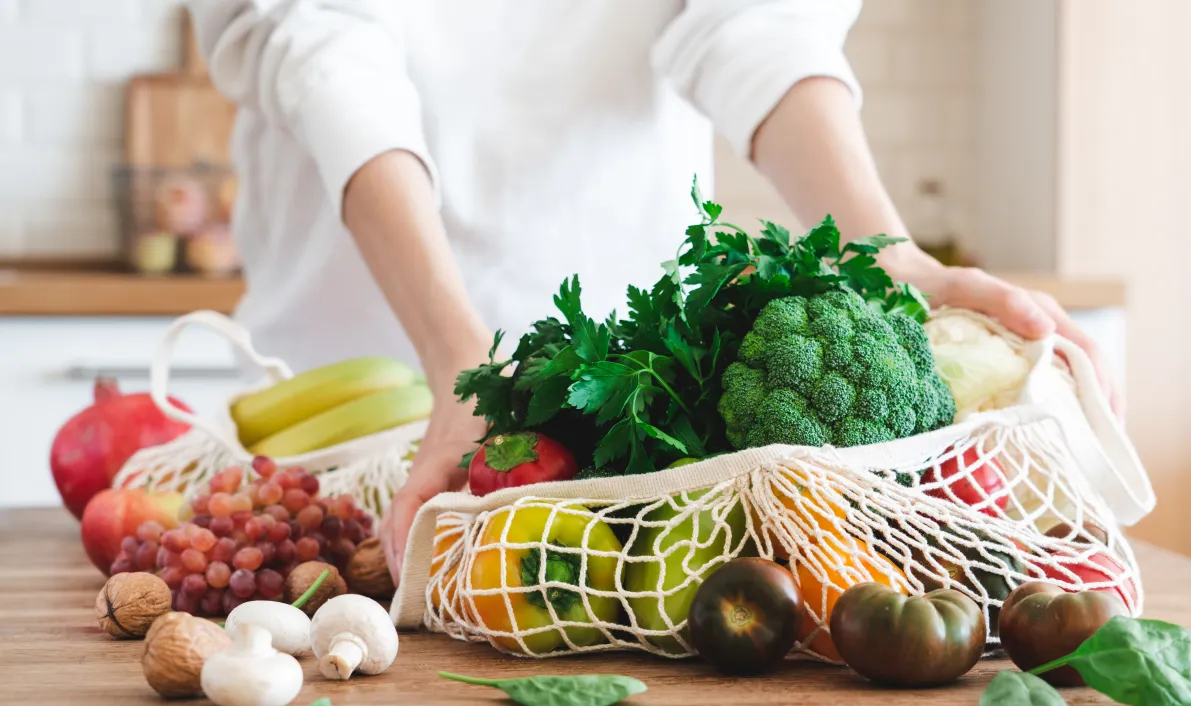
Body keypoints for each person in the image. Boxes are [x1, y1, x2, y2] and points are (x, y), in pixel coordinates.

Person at [189, 0, 1120, 583]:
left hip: (645, 406)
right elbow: (320, 44)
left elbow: (753, 21)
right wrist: (458, 360)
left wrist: (893, 256)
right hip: (363, 394)